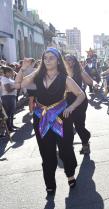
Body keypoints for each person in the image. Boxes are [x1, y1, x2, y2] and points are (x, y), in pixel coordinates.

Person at [14, 48, 86, 195]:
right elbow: (18, 85)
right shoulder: (37, 76)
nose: (47, 60)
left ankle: (70, 174)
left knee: (66, 150)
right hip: (41, 119)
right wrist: (23, 69)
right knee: (46, 153)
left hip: (61, 119)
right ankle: (50, 183)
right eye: (45, 58)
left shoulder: (65, 79)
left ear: (58, 60)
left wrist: (71, 107)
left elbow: (81, 94)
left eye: (51, 58)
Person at [65, 54, 98, 155]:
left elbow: (90, 81)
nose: (67, 61)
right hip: (66, 100)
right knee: (66, 124)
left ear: (74, 62)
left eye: (70, 60)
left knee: (79, 125)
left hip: (80, 99)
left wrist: (95, 84)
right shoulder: (60, 73)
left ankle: (85, 144)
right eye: (65, 60)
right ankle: (67, 146)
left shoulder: (79, 71)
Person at [0, 66, 17, 132]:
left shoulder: (8, 78)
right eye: (10, 72)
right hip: (7, 97)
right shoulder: (4, 79)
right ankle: (9, 128)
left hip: (11, 97)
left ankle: (11, 125)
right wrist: (16, 86)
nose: (12, 73)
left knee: (11, 113)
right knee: (8, 113)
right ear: (6, 73)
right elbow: (8, 90)